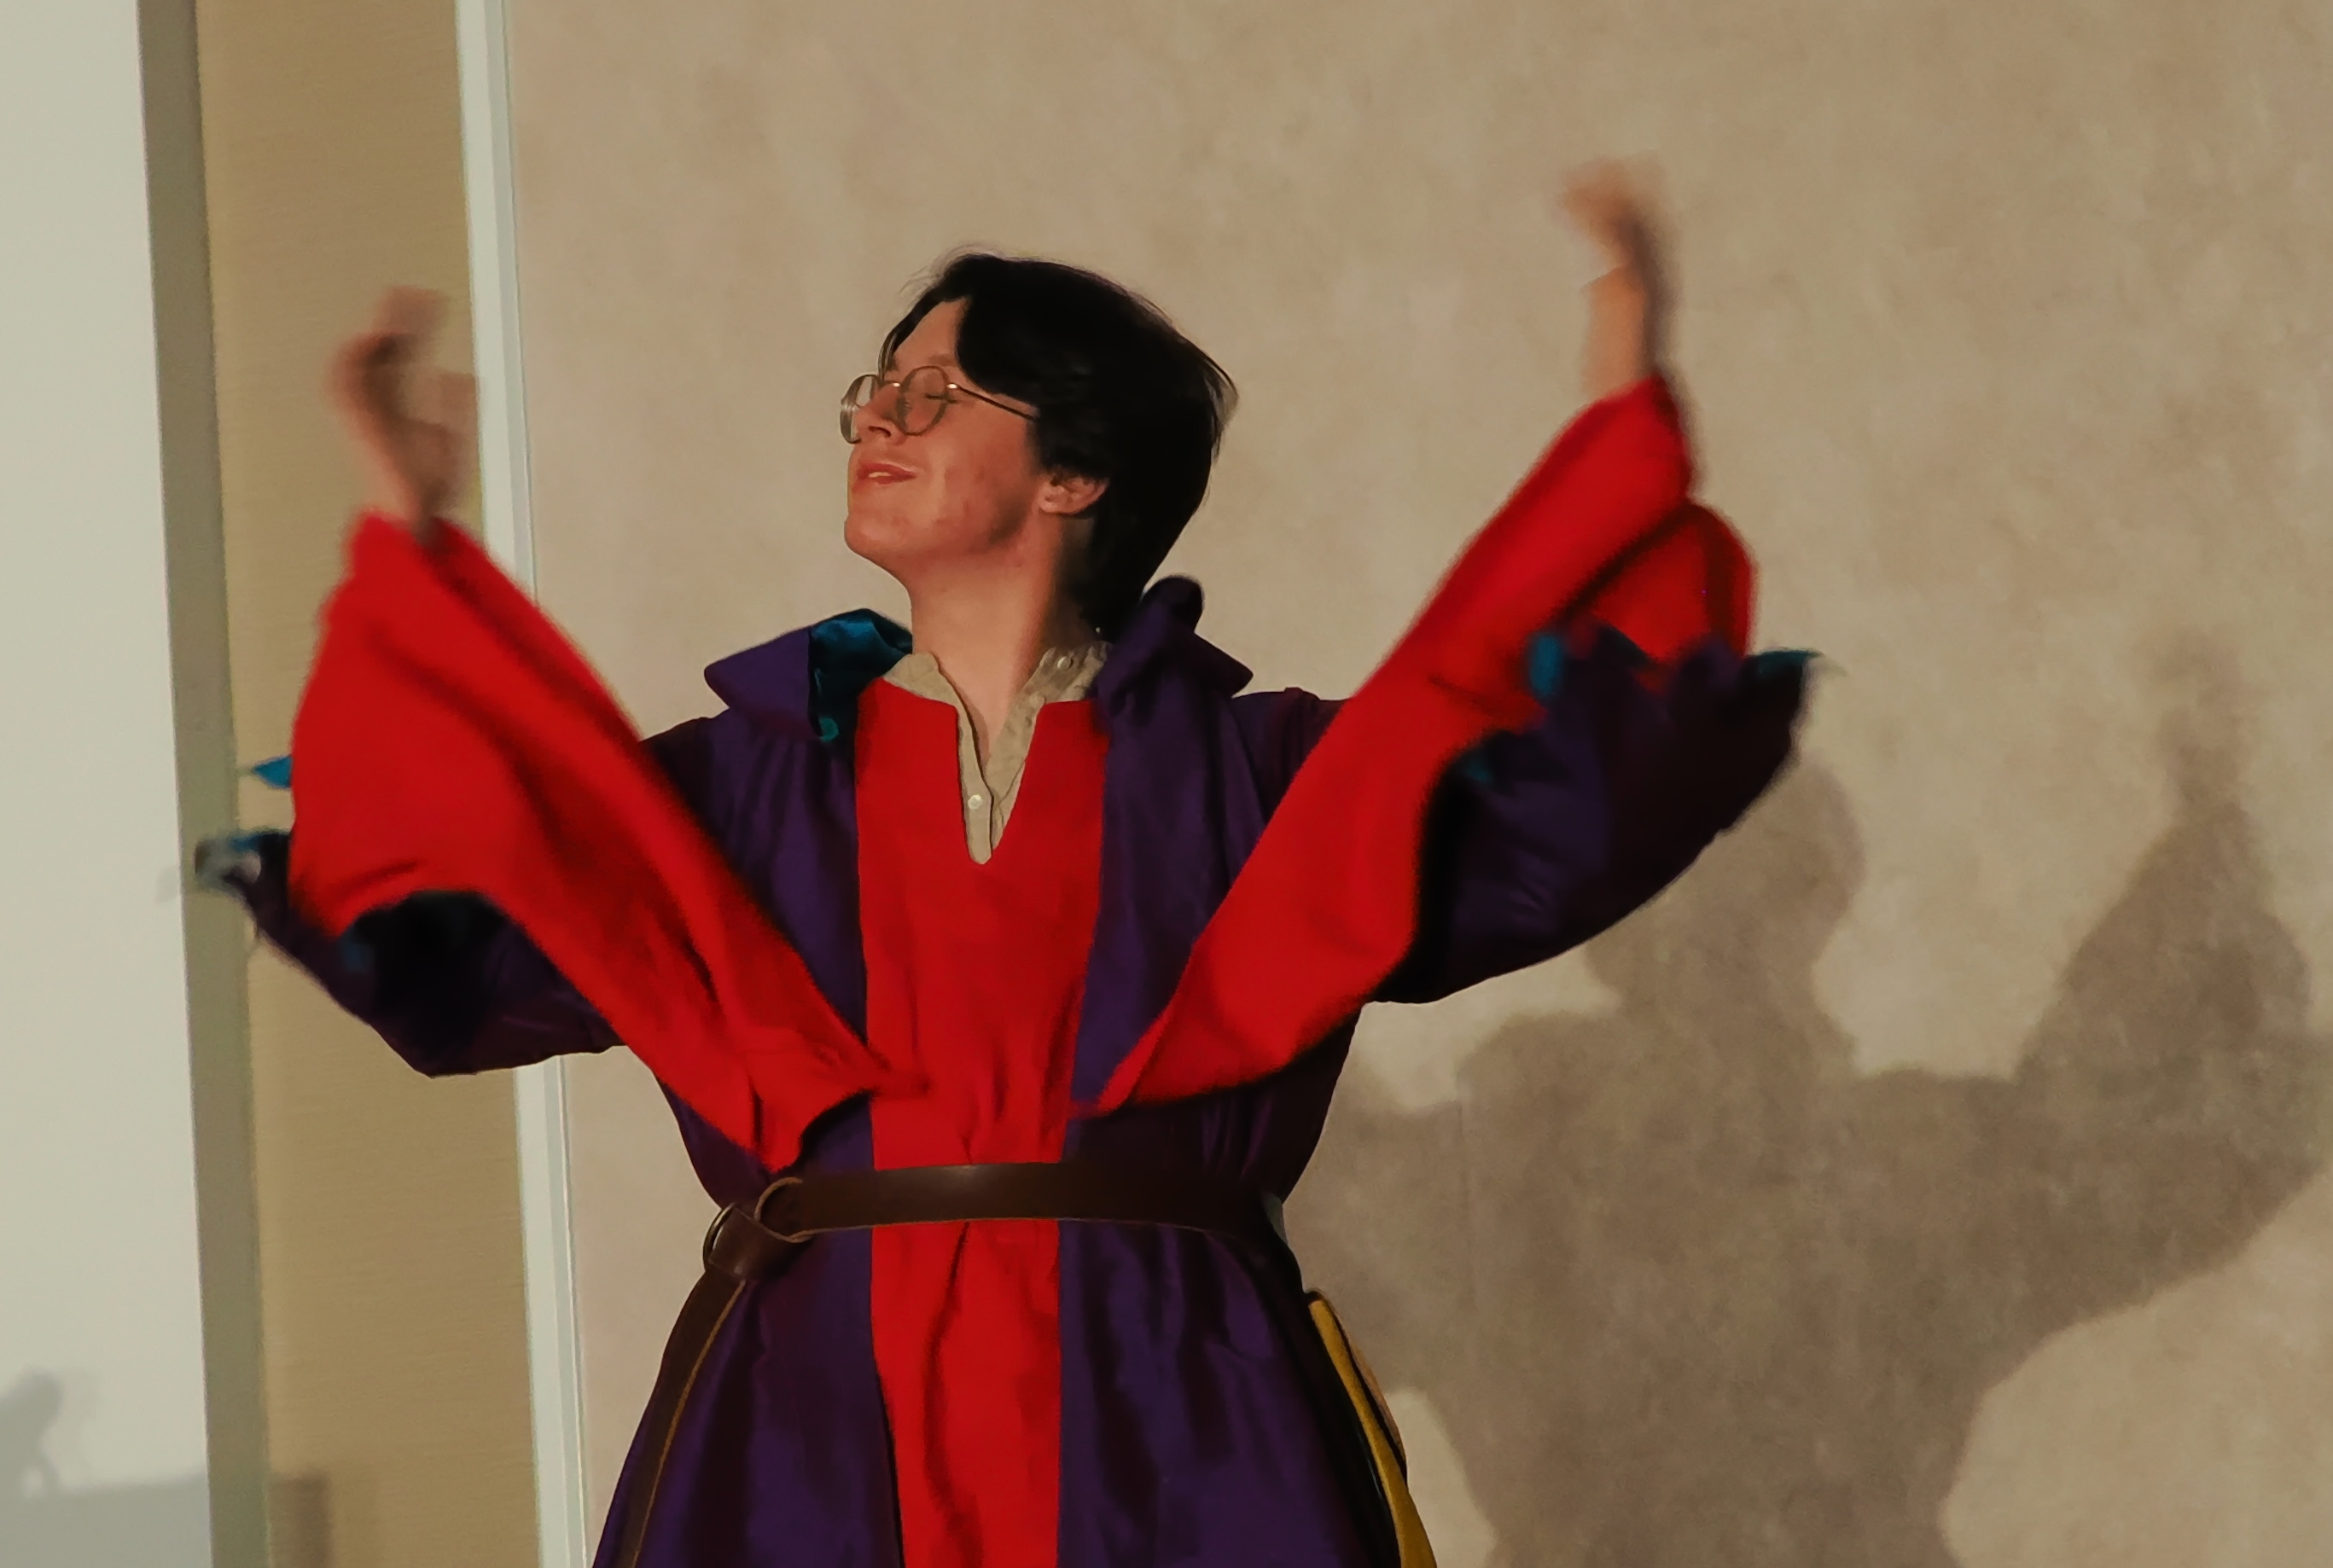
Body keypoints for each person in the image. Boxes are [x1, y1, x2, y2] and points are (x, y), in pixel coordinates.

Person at [201, 164, 1809, 1568]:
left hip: (1178, 1405)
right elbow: (449, 923)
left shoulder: (1260, 775)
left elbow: (1555, 793)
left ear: (1072, 472)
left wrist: (1619, 412)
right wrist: (405, 529)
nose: (878, 419)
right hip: (815, 1423)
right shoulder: (734, 785)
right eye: (874, 390)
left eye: (936, 394)